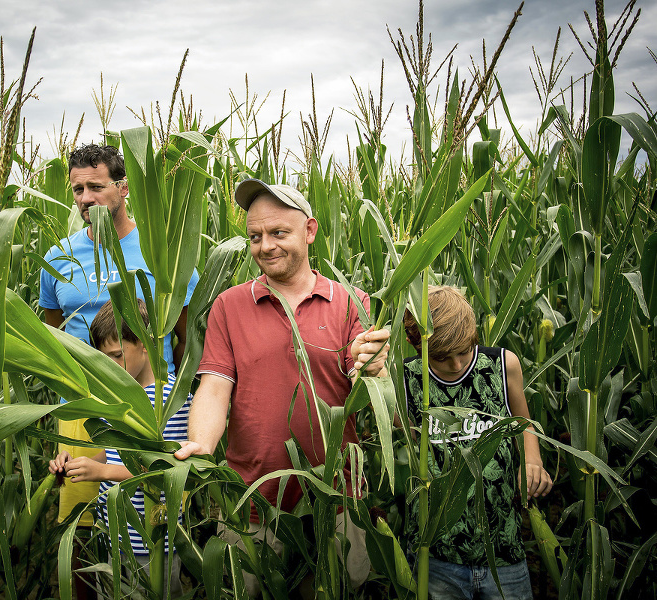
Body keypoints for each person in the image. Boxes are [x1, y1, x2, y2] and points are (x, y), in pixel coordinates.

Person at [173, 179, 391, 597]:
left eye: (278, 233)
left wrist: (374, 365)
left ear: (309, 231)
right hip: (253, 499)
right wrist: (201, 443)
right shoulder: (230, 305)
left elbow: (368, 386)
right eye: (255, 236)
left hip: (337, 500)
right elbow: (216, 386)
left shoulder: (350, 301)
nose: (265, 246)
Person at [39, 144, 198, 598]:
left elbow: (185, 337)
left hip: (152, 410)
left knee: (150, 527)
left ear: (124, 188)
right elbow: (50, 338)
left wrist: (176, 395)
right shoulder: (60, 258)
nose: (86, 198)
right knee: (84, 528)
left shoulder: (162, 253)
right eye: (77, 190)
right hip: (83, 410)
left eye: (96, 186)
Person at [401, 286, 553, 600]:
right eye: (442, 357)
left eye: (464, 351)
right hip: (436, 553)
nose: (456, 365)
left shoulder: (501, 365)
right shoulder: (404, 379)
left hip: (503, 547)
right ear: (414, 344)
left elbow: (523, 422)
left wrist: (532, 460)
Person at [50, 300, 191, 598]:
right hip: (115, 535)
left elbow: (163, 470)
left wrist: (100, 472)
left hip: (153, 543)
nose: (111, 368)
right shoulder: (118, 398)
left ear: (145, 344)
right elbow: (116, 452)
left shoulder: (171, 401)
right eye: (105, 360)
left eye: (117, 356)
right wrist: (79, 462)